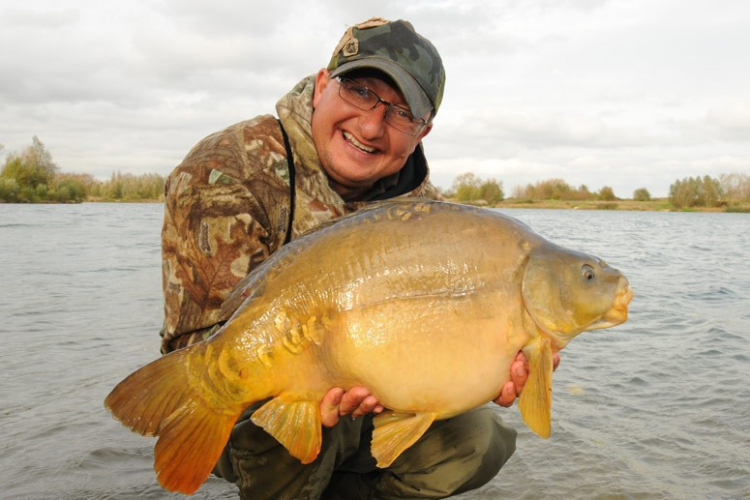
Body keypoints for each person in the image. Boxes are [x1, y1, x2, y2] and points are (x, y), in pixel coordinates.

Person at [159, 17, 557, 499]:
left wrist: (486, 369)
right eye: (361, 91)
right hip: (257, 393)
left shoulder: (426, 215)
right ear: (322, 85)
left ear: (423, 131)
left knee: (479, 439)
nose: (371, 126)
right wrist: (312, 373)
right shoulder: (226, 168)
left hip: (375, 396)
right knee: (288, 439)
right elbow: (199, 336)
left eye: (402, 113)